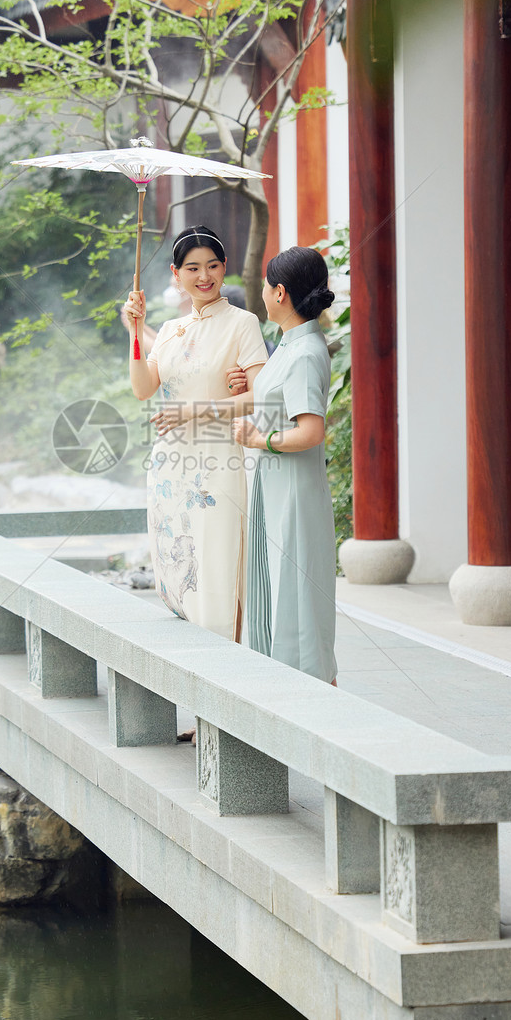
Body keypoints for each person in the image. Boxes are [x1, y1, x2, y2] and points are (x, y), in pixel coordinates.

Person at [123, 226, 268, 642]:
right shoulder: (169, 331)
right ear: (176, 274)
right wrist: (136, 331)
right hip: (171, 466)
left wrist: (191, 410)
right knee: (180, 568)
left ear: (224, 269)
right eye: (192, 268)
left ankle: (227, 667)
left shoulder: (243, 323)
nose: (204, 276)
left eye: (212, 266)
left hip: (217, 461)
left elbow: (256, 398)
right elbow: (142, 388)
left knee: (218, 566)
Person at [232, 246, 337, 684]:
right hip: (274, 487)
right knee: (275, 589)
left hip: (294, 491)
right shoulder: (289, 348)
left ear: (280, 293)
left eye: (265, 283)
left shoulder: (306, 352)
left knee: (296, 598)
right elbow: (274, 394)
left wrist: (261, 439)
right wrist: (246, 384)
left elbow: (311, 430)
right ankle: (280, 694)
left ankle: (314, 699)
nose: (260, 291)